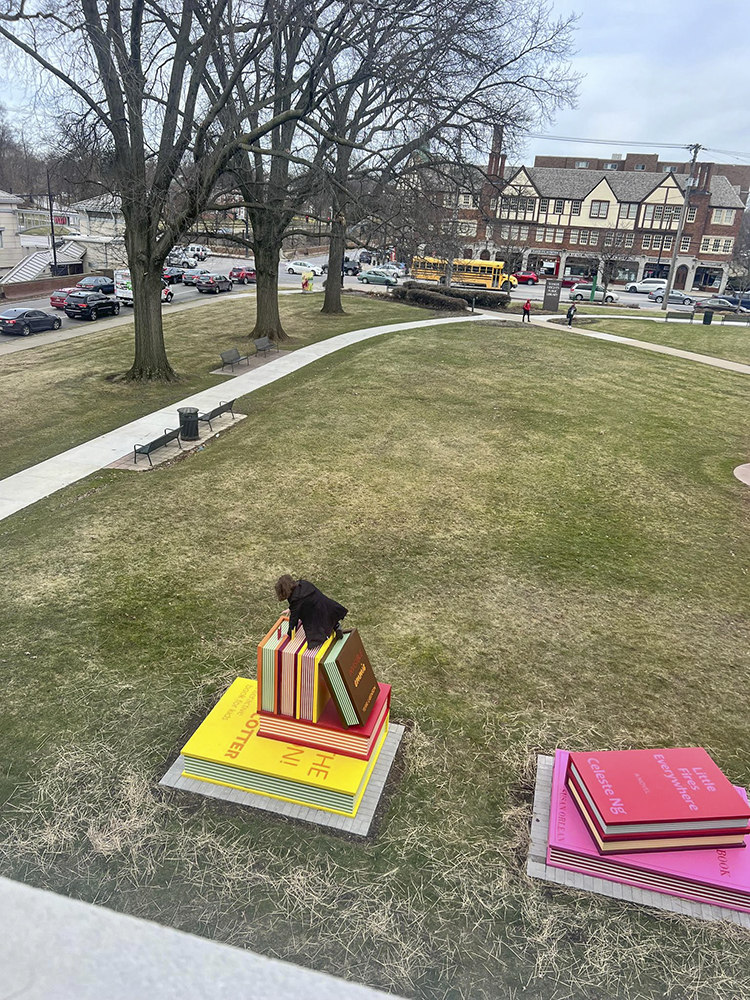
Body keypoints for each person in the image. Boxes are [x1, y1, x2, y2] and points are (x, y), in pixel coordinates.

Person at [274, 575, 348, 646]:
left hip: (315, 613)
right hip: (325, 604)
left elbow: (294, 619)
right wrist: (291, 608)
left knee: (318, 630)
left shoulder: (295, 599)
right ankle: (336, 626)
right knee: (329, 616)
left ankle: (326, 639)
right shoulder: (303, 584)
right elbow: (303, 601)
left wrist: (289, 634)